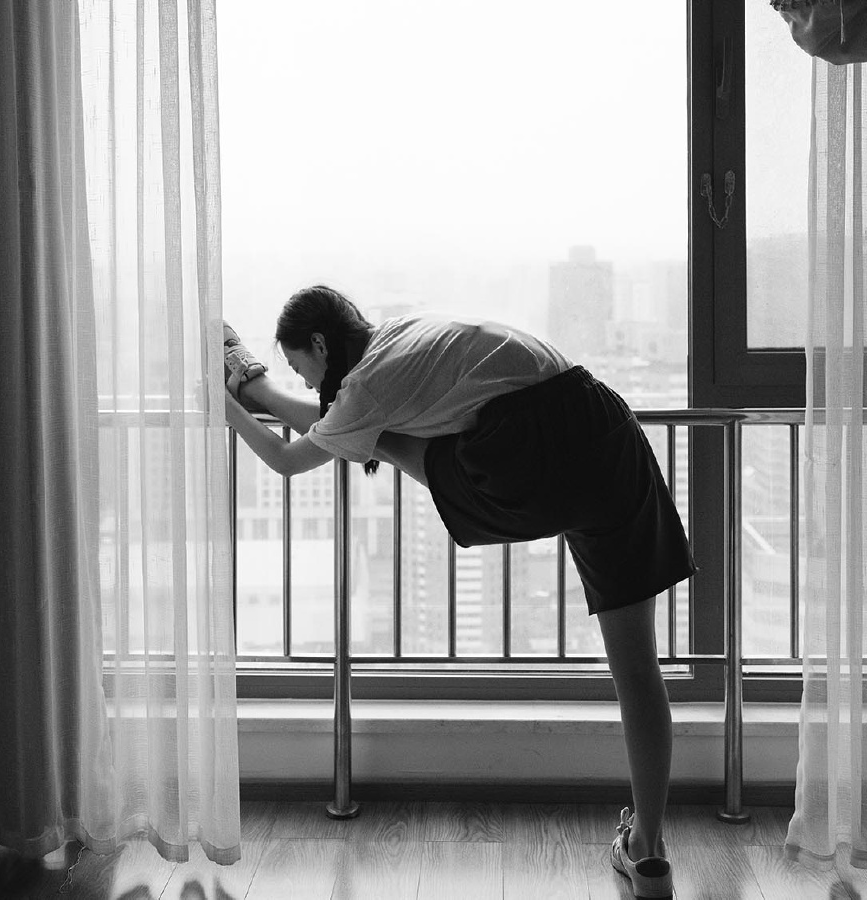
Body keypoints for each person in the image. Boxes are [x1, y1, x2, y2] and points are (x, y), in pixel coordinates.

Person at [222, 285, 694, 900]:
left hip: (523, 451)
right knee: (637, 667)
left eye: (300, 368)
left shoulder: (365, 389)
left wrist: (229, 405)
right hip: (604, 426)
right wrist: (268, 389)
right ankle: (649, 852)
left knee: (377, 437)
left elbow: (291, 457)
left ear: (319, 344)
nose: (306, 382)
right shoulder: (397, 334)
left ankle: (263, 389)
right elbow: (334, 419)